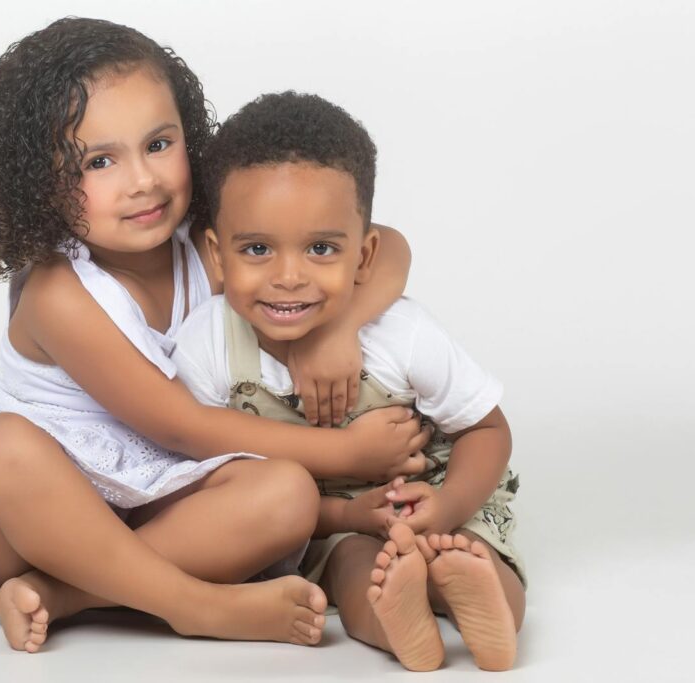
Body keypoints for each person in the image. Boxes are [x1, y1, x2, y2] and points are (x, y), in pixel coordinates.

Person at [0, 18, 428, 653]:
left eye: (159, 144)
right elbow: (180, 426)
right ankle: (193, 604)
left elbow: (387, 247)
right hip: (40, 519)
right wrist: (345, 455)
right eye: (100, 161)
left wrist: (341, 326)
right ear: (39, 182)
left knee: (287, 494)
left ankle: (60, 596)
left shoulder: (208, 242)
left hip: (162, 503)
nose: (142, 180)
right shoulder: (60, 293)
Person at [173, 91, 526, 671]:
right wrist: (343, 517)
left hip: (429, 493)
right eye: (257, 249)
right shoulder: (207, 344)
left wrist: (447, 505)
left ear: (364, 257)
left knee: (470, 554)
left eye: (320, 249)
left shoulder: (401, 333)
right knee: (356, 570)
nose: (288, 277)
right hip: (319, 521)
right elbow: (210, 475)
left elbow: (486, 428)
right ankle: (401, 624)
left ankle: (487, 608)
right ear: (216, 255)